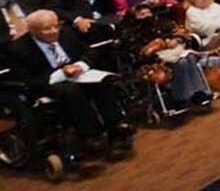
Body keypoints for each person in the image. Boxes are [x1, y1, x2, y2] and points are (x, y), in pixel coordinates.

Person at [7, 9, 134, 146]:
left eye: (56, 26)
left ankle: (115, 127)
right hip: (48, 83)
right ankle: (91, 134)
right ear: (33, 31)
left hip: (77, 74)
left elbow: (89, 51)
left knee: (103, 81)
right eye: (47, 29)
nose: (54, 31)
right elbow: (29, 81)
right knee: (72, 90)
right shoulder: (18, 49)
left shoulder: (65, 33)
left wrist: (81, 65)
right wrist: (62, 73)